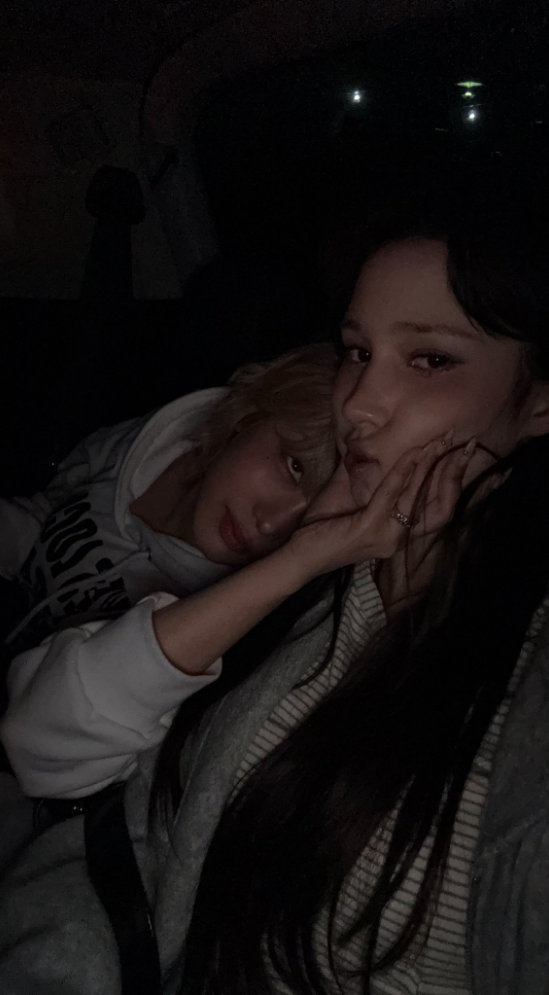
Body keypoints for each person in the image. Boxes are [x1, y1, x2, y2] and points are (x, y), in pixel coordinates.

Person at [1, 181, 549, 995]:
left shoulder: (521, 703)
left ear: (538, 400)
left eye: (429, 359)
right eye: (356, 350)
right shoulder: (323, 579)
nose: (359, 404)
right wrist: (291, 563)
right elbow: (48, 753)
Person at [0, 345, 340, 799]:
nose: (272, 524)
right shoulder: (161, 440)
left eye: (311, 520)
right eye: (294, 467)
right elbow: (50, 508)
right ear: (252, 416)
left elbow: (44, 748)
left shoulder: (221, 627)